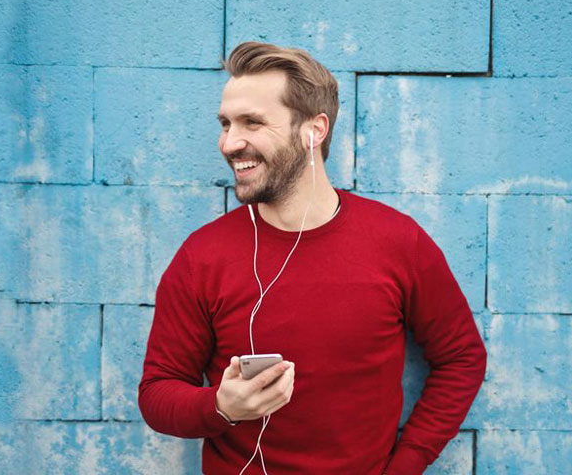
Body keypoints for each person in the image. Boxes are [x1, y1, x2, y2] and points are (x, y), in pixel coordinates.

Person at [138, 41, 487, 475]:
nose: (230, 143)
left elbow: (462, 358)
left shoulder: (398, 242)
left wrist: (407, 463)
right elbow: (157, 393)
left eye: (252, 122)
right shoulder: (201, 257)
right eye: (226, 123)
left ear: (314, 130)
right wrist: (220, 406)